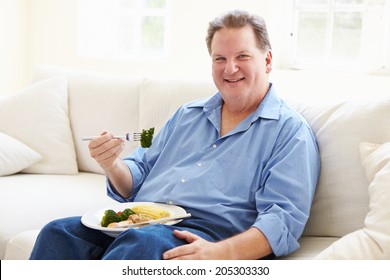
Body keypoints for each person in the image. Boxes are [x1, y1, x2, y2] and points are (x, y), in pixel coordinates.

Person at [30, 10, 320, 260]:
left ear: (267, 60)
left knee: (141, 245)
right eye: (220, 58)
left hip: (202, 236)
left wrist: (221, 253)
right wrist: (111, 164)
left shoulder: (289, 132)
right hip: (137, 220)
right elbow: (138, 174)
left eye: (242, 56)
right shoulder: (186, 115)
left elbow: (283, 219)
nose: (230, 68)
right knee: (57, 233)